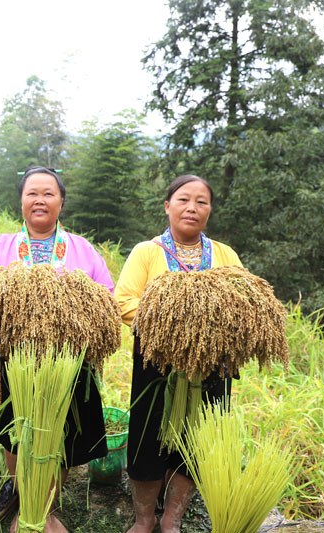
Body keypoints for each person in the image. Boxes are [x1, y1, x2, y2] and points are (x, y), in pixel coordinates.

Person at [0, 166, 113, 533]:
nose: (40, 200)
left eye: (48, 193)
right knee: (15, 433)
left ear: (61, 202)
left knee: (62, 438)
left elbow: (106, 300)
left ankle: (47, 509)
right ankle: (24, 501)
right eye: (32, 193)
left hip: (68, 365)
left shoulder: (82, 249)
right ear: (21, 200)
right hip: (13, 361)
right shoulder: (1, 246)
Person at [114, 174, 242, 533]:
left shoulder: (224, 255)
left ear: (210, 211)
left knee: (196, 442)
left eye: (201, 202)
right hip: (156, 366)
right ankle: (144, 519)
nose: (192, 207)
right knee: (148, 438)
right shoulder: (147, 252)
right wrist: (178, 326)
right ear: (167, 206)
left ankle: (172, 518)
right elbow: (124, 302)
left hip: (211, 368)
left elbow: (246, 307)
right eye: (184, 199)